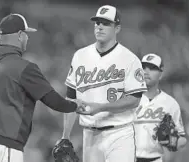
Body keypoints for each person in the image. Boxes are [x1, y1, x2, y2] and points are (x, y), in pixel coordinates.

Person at [0, 13, 85, 162]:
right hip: (5, 143)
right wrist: (74, 105)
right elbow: (54, 102)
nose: (27, 37)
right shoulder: (24, 68)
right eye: (25, 34)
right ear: (19, 35)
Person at [59, 5, 147, 162]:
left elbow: (135, 100)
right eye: (97, 22)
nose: (99, 26)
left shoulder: (130, 59)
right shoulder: (80, 56)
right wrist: (65, 136)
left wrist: (101, 107)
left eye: (106, 23)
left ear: (117, 28)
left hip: (120, 134)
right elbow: (71, 98)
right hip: (89, 135)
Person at [134, 53, 187, 162]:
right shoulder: (129, 99)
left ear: (161, 74)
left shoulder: (170, 103)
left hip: (155, 159)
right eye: (143, 67)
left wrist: (172, 142)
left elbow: (182, 138)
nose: (146, 72)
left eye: (152, 68)